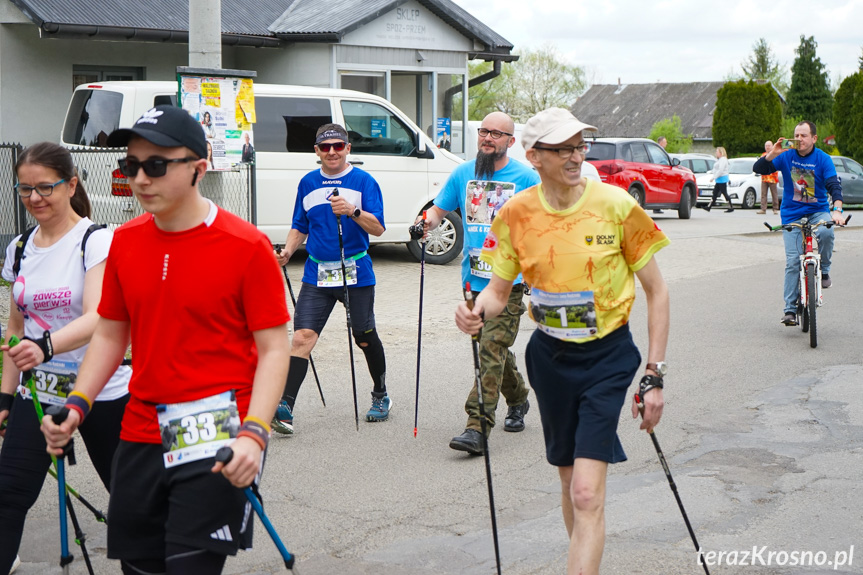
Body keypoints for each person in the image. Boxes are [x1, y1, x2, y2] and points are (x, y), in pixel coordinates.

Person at [41, 105, 291, 575]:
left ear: (199, 168)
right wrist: (77, 404)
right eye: (130, 165)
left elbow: (275, 348)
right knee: (139, 568)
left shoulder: (246, 246)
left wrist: (255, 434)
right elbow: (113, 333)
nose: (139, 179)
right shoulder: (125, 241)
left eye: (155, 165)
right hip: (139, 430)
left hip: (218, 432)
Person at [455, 107, 669, 575]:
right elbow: (497, 291)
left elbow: (657, 291)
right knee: (572, 481)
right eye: (564, 148)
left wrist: (653, 373)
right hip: (549, 359)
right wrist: (473, 313)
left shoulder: (616, 206)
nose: (576, 156)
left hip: (607, 356)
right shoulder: (516, 213)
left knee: (587, 492)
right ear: (534, 156)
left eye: (580, 146)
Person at [0, 142, 131, 575]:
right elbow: (16, 330)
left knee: (130, 496)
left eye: (45, 188)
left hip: (101, 391)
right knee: (10, 492)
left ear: (71, 184)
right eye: (25, 190)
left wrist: (47, 345)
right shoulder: (19, 248)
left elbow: (100, 316)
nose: (34, 198)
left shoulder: (95, 240)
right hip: (39, 391)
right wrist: (4, 399)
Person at [420, 111, 539, 455]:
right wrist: (424, 223)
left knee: (489, 348)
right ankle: (518, 398)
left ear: (510, 142)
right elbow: (439, 210)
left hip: (510, 282)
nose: (488, 138)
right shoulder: (462, 173)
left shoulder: (526, 179)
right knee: (492, 348)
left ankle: (477, 426)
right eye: (484, 132)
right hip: (473, 282)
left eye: (497, 134)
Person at [273, 123, 389, 434]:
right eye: (325, 147)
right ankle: (285, 407)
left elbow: (378, 228)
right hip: (317, 272)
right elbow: (300, 225)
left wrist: (353, 211)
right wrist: (287, 250)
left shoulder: (364, 181)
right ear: (317, 152)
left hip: (356, 271)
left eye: (338, 146)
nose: (332, 152)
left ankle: (380, 394)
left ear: (348, 148)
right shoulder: (308, 182)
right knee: (301, 338)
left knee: (364, 336)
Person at [753, 120, 844, 326]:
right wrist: (772, 153)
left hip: (817, 211)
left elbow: (833, 186)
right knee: (793, 260)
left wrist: (837, 210)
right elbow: (759, 168)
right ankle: (790, 310)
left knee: (828, 232)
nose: (799, 139)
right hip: (792, 214)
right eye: (797, 135)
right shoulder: (785, 155)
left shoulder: (823, 159)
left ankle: (825, 270)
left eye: (804, 136)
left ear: (814, 138)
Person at [702, 146, 733, 212]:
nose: (716, 153)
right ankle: (709, 207)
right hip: (719, 180)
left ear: (720, 152)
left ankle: (731, 207)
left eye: (717, 151)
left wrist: (713, 177)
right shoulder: (720, 160)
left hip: (722, 179)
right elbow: (716, 169)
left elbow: (720, 170)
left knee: (724, 193)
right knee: (715, 193)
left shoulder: (723, 160)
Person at [758, 140, 780, 214]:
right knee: (763, 193)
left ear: (772, 146)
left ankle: (775, 209)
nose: (767, 147)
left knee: (774, 194)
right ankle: (763, 209)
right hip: (764, 178)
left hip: (772, 178)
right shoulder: (763, 155)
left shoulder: (775, 154)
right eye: (766, 146)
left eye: (769, 145)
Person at [653, 137, 667, 213]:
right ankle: (657, 208)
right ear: (661, 143)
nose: (666, 144)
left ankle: (657, 208)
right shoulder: (660, 151)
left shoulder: (655, 149)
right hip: (659, 172)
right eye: (665, 142)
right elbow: (664, 161)